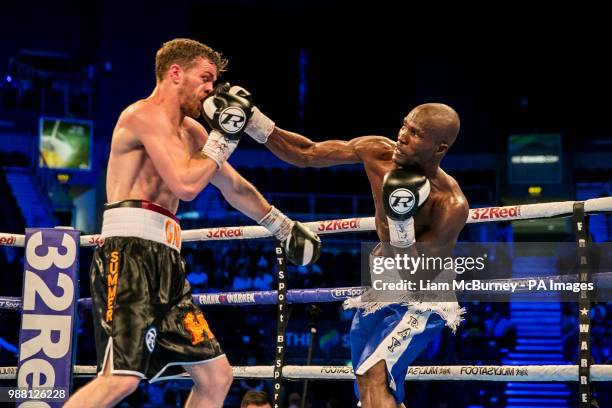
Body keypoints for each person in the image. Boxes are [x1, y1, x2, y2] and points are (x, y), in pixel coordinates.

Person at [64, 39, 320, 408]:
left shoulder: (193, 132)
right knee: (120, 378)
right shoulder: (142, 115)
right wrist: (224, 136)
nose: (210, 90)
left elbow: (234, 186)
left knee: (216, 377)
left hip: (168, 261)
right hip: (130, 255)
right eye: (205, 78)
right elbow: (186, 185)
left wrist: (281, 226)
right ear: (175, 73)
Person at [228, 88, 468, 407]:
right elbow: (308, 153)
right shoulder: (378, 152)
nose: (403, 136)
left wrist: (400, 222)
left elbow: (417, 274)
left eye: (416, 133)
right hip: (381, 284)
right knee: (366, 382)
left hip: (423, 294)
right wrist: (254, 121)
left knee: (375, 374)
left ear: (440, 147)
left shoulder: (450, 203)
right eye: (405, 126)